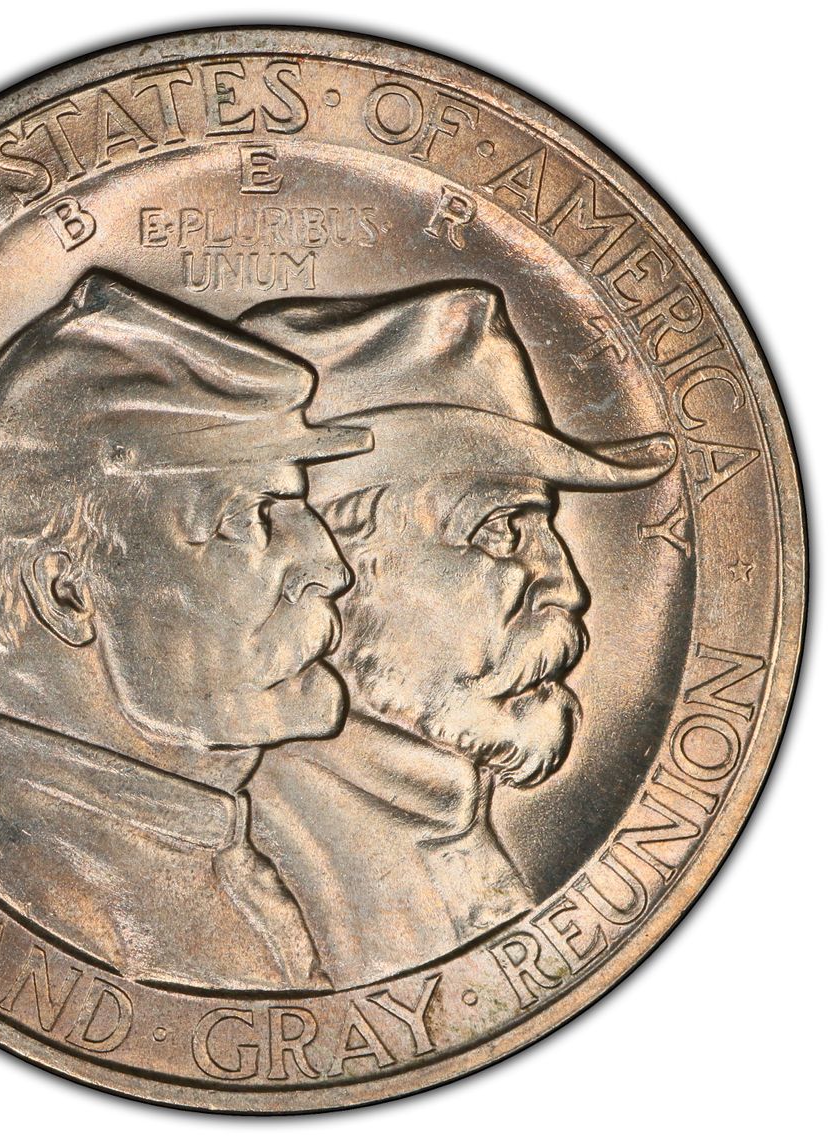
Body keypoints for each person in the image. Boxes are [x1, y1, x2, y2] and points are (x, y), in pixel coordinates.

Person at [0, 271, 371, 990]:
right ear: (67, 594)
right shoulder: (10, 887)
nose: (329, 568)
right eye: (248, 516)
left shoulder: (211, 853)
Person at [239, 282, 676, 988]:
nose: (565, 586)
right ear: (333, 566)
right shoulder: (253, 869)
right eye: (498, 530)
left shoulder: (446, 820)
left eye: (545, 529)